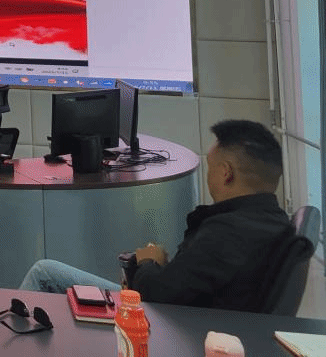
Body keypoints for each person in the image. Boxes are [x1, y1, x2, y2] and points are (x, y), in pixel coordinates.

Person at [20, 119, 294, 310]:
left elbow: (158, 295)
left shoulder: (225, 234)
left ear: (226, 173)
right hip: (186, 317)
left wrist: (148, 262)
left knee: (44, 273)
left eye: (210, 167)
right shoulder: (273, 222)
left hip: (160, 322)